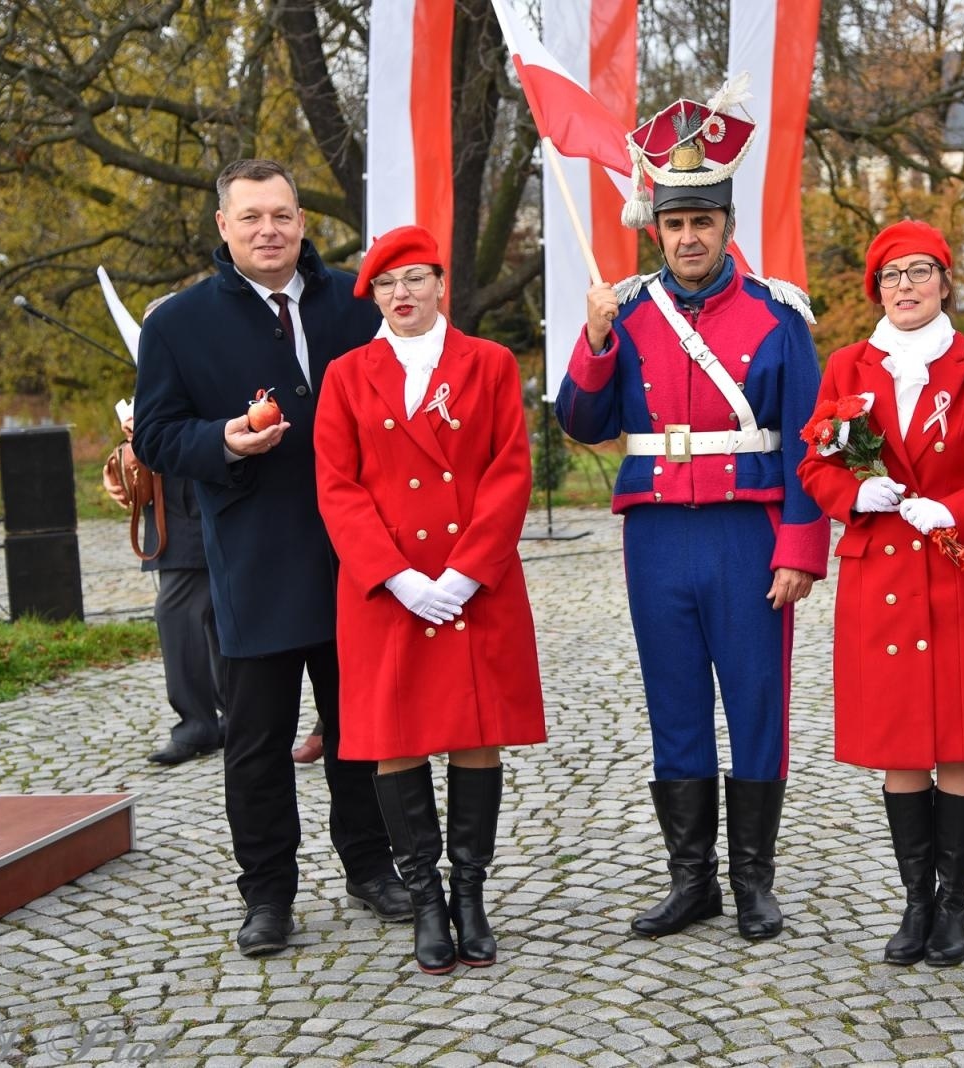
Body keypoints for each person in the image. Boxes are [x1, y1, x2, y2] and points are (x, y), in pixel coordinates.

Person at [555, 85, 829, 942]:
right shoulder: (627, 310)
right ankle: (692, 880)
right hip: (658, 537)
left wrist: (799, 547)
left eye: (703, 221)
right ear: (656, 226)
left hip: (748, 537)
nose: (688, 237)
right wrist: (594, 343)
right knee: (673, 703)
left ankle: (753, 881)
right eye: (674, 223)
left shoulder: (779, 315)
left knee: (755, 702)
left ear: (726, 222)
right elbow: (583, 423)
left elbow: (808, 446)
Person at [133, 158, 409, 957]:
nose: (269, 231)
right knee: (256, 745)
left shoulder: (358, 302)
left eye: (282, 215)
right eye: (250, 217)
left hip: (362, 557)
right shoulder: (178, 324)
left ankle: (372, 867)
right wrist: (221, 437)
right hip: (254, 559)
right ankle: (268, 896)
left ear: (301, 221)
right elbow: (155, 434)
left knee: (362, 732)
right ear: (223, 226)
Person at [797, 220, 964, 967]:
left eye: (921, 271)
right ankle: (915, 903)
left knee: (960, 740)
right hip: (882, 577)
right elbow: (815, 462)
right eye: (893, 275)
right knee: (901, 742)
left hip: (955, 568)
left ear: (944, 281)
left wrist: (958, 509)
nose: (906, 286)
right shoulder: (846, 366)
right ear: (877, 289)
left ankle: (954, 905)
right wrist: (854, 495)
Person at [314, 224, 547, 975]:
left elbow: (510, 469)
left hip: (473, 585)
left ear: (441, 285)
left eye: (415, 279)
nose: (402, 294)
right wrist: (398, 575)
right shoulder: (347, 374)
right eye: (387, 284)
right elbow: (337, 487)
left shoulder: (489, 363)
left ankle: (470, 895)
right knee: (397, 738)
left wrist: (469, 570)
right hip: (388, 592)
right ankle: (424, 902)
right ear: (373, 296)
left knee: (476, 732)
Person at [102, 293, 227, 767]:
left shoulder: (213, 362)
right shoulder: (152, 374)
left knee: (217, 617)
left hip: (208, 501)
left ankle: (228, 718)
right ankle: (200, 722)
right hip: (171, 512)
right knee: (180, 614)